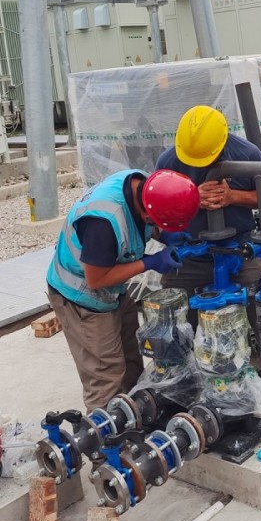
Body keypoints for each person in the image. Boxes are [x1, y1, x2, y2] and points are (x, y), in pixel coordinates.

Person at [156, 105, 261, 419]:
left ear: (222, 142)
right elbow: (161, 208)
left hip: (239, 250)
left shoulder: (246, 154)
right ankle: (183, 389)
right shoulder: (169, 161)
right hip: (192, 252)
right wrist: (192, 199)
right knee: (174, 319)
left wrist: (232, 197)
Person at [47, 168, 199, 412]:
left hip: (114, 290)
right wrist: (150, 262)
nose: (156, 228)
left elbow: (142, 224)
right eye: (155, 223)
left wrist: (166, 235)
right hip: (83, 297)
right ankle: (103, 429)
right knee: (106, 376)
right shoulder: (103, 222)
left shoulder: (145, 186)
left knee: (131, 361)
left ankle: (135, 415)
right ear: (147, 211)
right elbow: (96, 279)